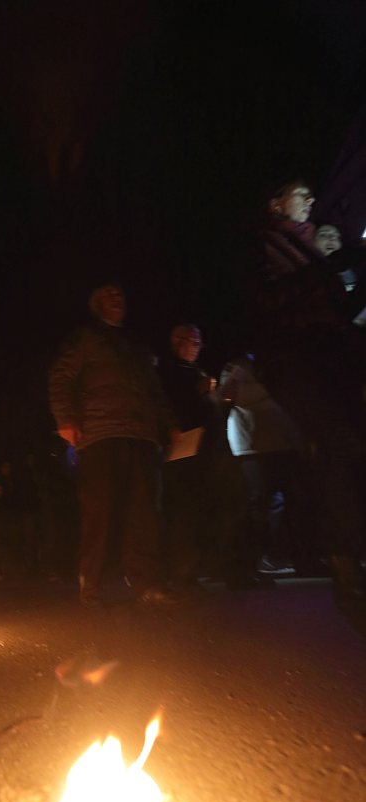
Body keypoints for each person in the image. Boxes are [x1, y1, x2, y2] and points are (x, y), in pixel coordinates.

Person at [248, 179, 366, 597]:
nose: (312, 200)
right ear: (277, 203)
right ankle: (344, 557)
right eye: (302, 193)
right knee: (339, 443)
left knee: (352, 447)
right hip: (296, 359)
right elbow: (266, 302)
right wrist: (328, 269)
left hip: (335, 356)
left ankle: (348, 552)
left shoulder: (312, 247)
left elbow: (336, 312)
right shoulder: (264, 245)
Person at [48, 283, 179, 607]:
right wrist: (65, 419)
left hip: (141, 434)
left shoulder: (136, 344)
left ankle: (146, 584)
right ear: (96, 305)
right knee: (99, 510)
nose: (116, 298)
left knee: (144, 512)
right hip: (100, 432)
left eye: (120, 294)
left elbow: (154, 388)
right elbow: (61, 377)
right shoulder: (85, 338)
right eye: (108, 295)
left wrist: (170, 424)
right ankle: (90, 583)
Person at [159, 325, 253, 588]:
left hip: (209, 451)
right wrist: (200, 394)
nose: (196, 348)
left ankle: (211, 568)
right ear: (176, 342)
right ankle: (184, 571)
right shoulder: (170, 373)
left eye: (199, 343)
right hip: (188, 451)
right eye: (191, 342)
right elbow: (177, 409)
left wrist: (221, 399)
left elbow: (208, 411)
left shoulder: (193, 373)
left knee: (211, 510)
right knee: (187, 512)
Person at [219, 355, 314, 577]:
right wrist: (272, 393)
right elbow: (227, 396)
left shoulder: (269, 365)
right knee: (260, 505)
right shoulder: (239, 365)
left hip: (280, 443)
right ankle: (251, 563)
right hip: (253, 446)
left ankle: (280, 557)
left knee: (283, 504)